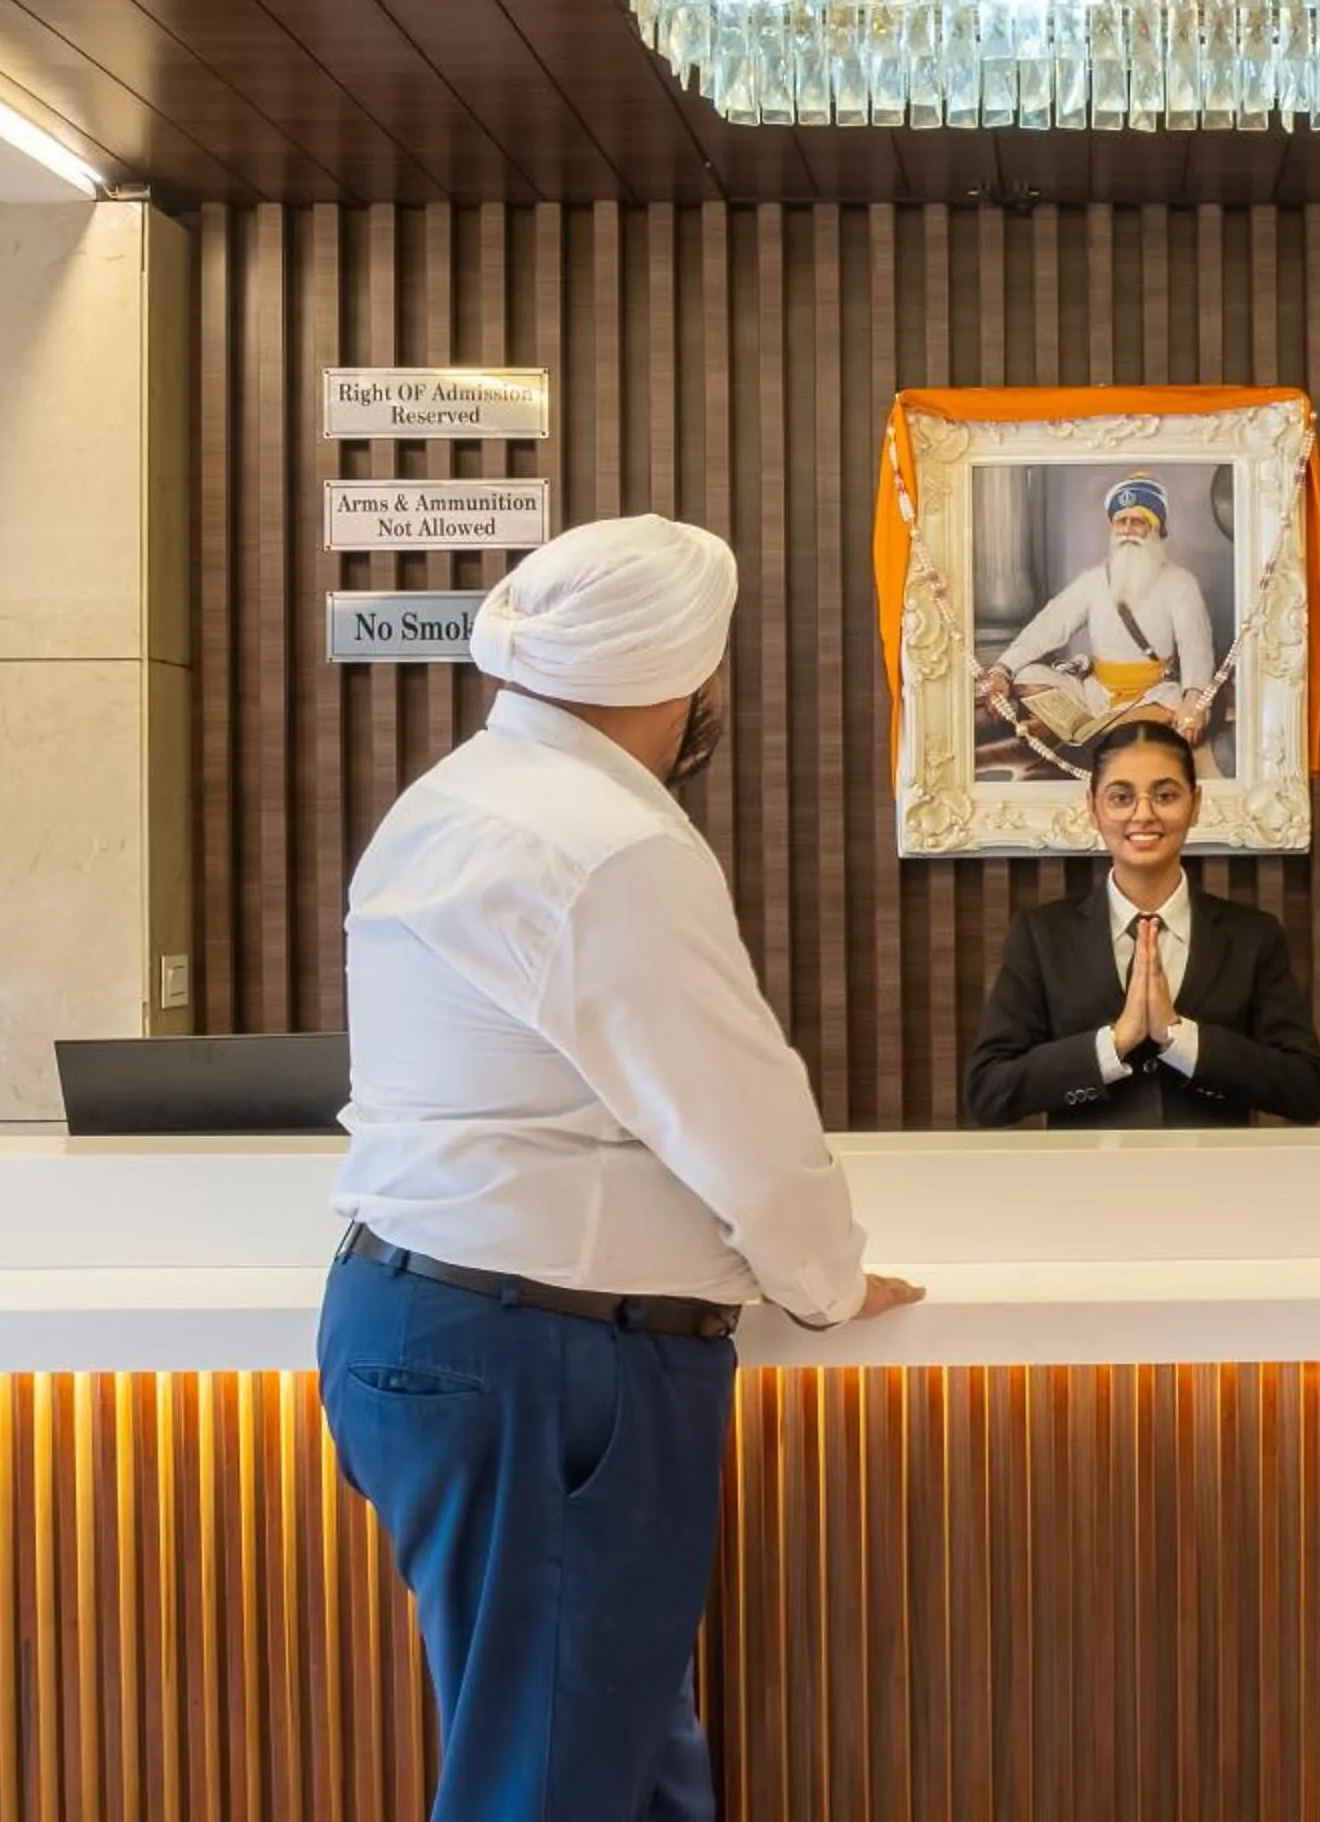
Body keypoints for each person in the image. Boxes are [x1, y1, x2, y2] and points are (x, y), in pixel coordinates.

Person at [319, 515, 924, 1822]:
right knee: (555, 1786)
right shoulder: (613, 845)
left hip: (417, 1322)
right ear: (686, 682)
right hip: (544, 1364)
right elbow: (744, 1121)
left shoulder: (449, 802)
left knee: (615, 1762)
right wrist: (823, 1281)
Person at [963, 719, 1320, 1129]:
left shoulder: (1253, 935)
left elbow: (1307, 1090)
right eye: (1121, 797)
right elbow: (988, 1091)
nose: (1143, 814)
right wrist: (1114, 1042)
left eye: (1165, 795)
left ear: (1195, 804)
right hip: (1086, 1186)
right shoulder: (1042, 934)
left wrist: (1181, 1039)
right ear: (1093, 807)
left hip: (1216, 1185)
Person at [981, 476, 1219, 746]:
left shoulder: (1180, 583)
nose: (1127, 530)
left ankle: (1076, 731)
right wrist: (1001, 670)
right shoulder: (1093, 581)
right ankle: (1094, 730)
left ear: (1156, 529)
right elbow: (1049, 625)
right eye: (1121, 522)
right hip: (1097, 693)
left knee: (1185, 707)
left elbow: (1195, 648)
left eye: (1138, 522)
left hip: (1154, 696)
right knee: (1025, 677)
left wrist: (1192, 699)